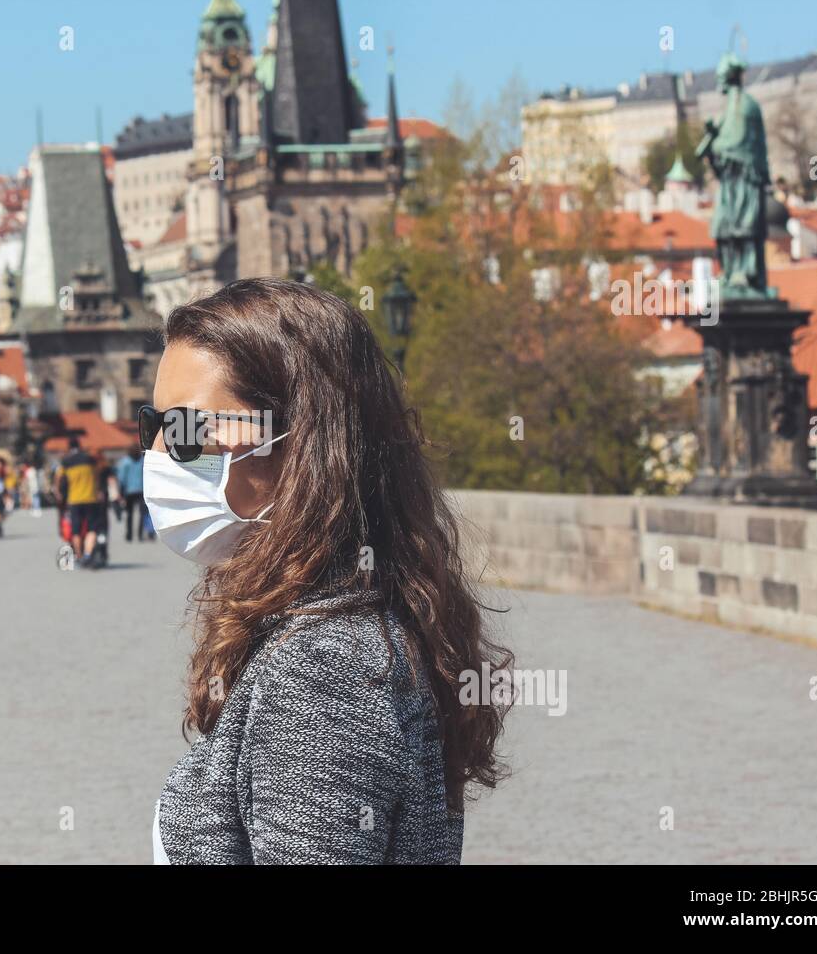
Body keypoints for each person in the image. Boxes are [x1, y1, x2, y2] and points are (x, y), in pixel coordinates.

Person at [148, 278, 511, 865]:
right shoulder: (336, 616)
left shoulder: (324, 663)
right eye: (154, 426)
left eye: (188, 429)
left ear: (301, 443)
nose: (160, 455)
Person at [57, 437, 100, 567]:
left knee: (76, 530)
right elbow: (97, 475)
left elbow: (59, 478)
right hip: (91, 498)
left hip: (74, 500)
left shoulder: (66, 462)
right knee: (92, 529)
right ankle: (88, 554)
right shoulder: (90, 459)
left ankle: (80, 556)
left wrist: (59, 493)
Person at [114, 447, 147, 542]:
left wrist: (121, 492)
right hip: (141, 490)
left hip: (129, 492)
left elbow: (121, 478)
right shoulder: (142, 460)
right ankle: (140, 534)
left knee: (129, 514)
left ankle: (129, 535)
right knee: (142, 514)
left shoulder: (125, 462)